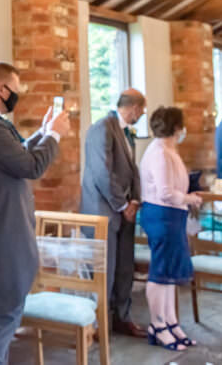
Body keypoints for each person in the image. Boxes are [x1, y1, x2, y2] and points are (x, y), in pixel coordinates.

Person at [0, 62, 71, 365]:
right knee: (1, 325)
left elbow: (18, 152)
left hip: (1, 231)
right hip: (2, 238)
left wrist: (45, 132)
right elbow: (30, 166)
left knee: (0, 326)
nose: (18, 95)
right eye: (17, 89)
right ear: (2, 89)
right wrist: (56, 136)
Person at [80, 89, 147, 338]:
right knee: (103, 270)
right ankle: (99, 324)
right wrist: (122, 205)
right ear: (134, 107)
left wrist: (136, 200)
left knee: (124, 267)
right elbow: (101, 172)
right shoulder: (102, 128)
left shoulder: (127, 133)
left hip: (125, 210)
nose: (142, 115)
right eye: (142, 110)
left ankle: (122, 317)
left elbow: (133, 170)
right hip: (104, 209)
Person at [139, 106, 202, 352]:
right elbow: (165, 193)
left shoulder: (166, 149)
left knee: (170, 275)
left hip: (171, 217)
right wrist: (191, 199)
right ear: (176, 127)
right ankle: (157, 324)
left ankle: (171, 321)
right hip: (162, 216)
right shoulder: (159, 152)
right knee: (160, 272)